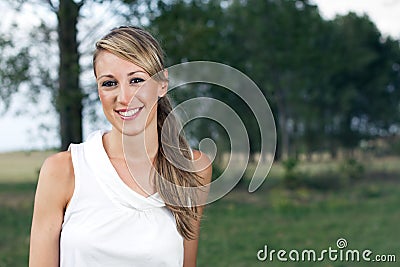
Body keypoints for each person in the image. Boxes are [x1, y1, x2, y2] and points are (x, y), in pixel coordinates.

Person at [29, 26, 212, 267]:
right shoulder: (63, 171)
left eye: (136, 80)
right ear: (98, 89)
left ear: (162, 84)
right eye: (109, 83)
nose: (124, 97)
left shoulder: (194, 168)